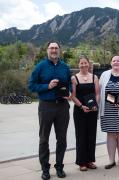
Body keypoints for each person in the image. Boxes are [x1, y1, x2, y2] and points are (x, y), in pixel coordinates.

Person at [28, 41, 71, 179]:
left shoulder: (65, 67)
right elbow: (32, 85)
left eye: (56, 48)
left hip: (62, 106)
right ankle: (45, 169)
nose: (54, 50)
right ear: (47, 50)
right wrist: (47, 86)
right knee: (44, 139)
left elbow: (69, 83)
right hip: (46, 106)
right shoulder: (40, 66)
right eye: (51, 48)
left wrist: (69, 91)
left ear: (59, 50)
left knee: (62, 139)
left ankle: (59, 167)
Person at [71, 56, 100, 171]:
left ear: (89, 64)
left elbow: (97, 94)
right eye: (81, 63)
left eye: (85, 63)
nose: (83, 65)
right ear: (78, 65)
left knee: (91, 136)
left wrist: (94, 105)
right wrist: (81, 106)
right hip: (80, 111)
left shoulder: (94, 77)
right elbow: (72, 96)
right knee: (81, 136)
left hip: (92, 111)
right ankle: (82, 162)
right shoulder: (74, 78)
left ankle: (90, 161)